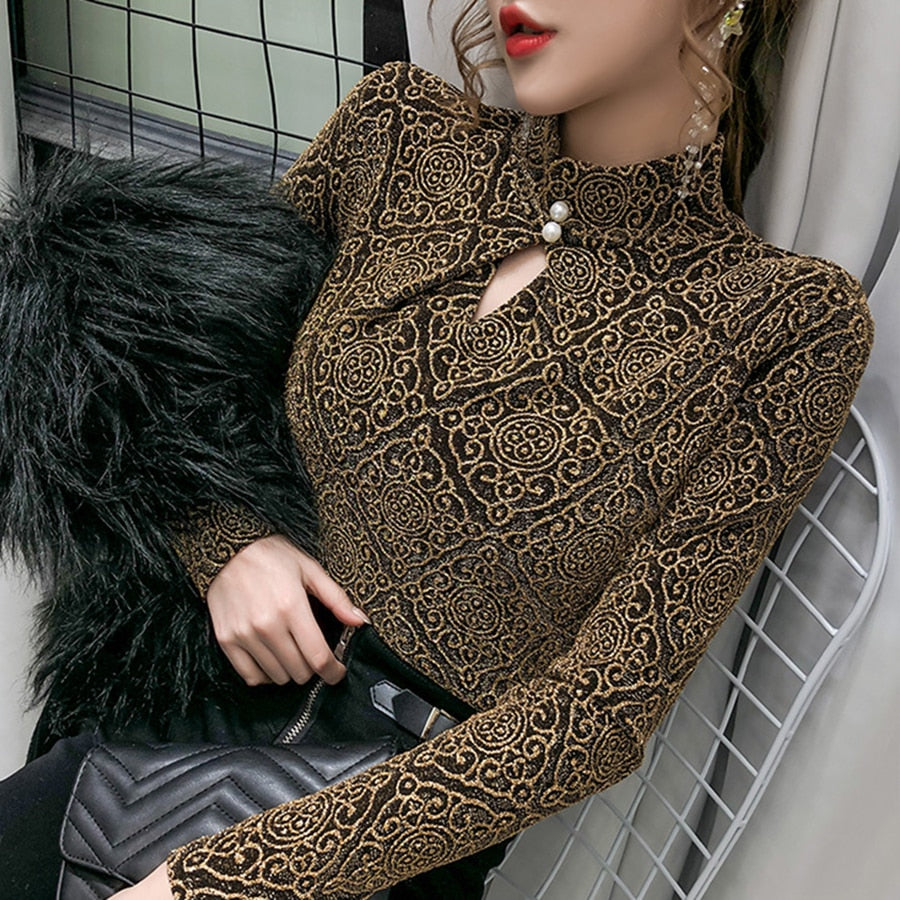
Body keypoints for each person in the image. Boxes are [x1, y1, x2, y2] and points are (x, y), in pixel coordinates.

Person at [5, 1, 875, 898]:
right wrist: (224, 542)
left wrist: (220, 880)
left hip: (380, 835)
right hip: (141, 721)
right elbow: (170, 375)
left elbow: (598, 715)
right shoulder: (397, 132)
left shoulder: (783, 321)